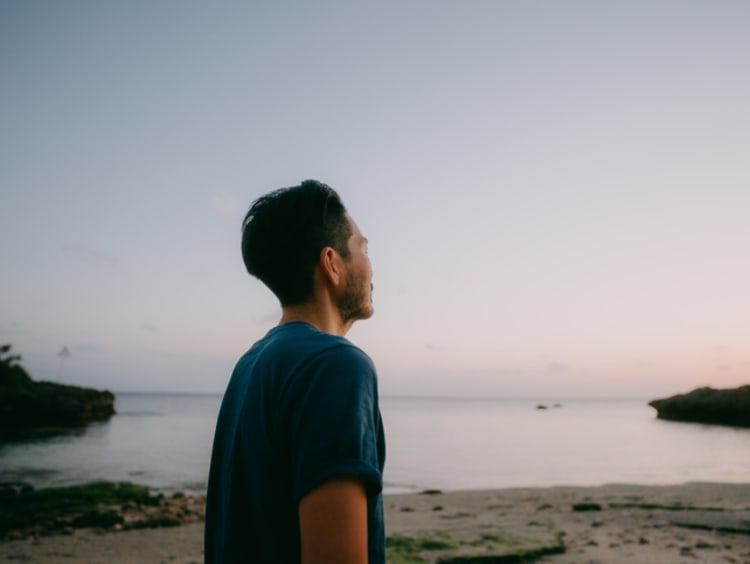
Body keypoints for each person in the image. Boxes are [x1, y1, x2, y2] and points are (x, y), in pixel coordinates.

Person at [205, 180, 386, 563]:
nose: (371, 265)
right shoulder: (335, 366)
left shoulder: (250, 366)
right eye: (363, 249)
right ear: (332, 264)